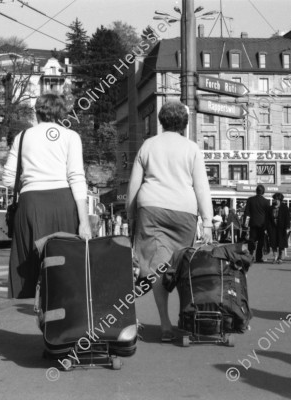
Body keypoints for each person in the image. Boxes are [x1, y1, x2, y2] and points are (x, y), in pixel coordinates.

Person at [126, 101, 213, 342]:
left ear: (161, 121)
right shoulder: (192, 148)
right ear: (184, 124)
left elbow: (134, 184)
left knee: (156, 268)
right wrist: (207, 221)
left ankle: (165, 324)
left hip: (151, 208)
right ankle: (184, 318)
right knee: (178, 267)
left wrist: (131, 215)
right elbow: (201, 186)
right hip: (184, 212)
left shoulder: (148, 145)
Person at [2, 93, 92, 299]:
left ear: (37, 111)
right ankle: (61, 319)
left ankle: (43, 316)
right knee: (64, 263)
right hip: (63, 202)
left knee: (34, 266)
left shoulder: (22, 137)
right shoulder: (71, 137)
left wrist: (29, 180)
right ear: (61, 113)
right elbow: (77, 178)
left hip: (30, 203)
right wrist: (84, 222)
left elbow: (8, 179)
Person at [243, 184, 270, 262]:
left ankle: (250, 256)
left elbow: (247, 213)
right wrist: (267, 225)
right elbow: (267, 214)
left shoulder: (250, 200)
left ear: (256, 191)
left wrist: (246, 224)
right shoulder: (266, 201)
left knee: (252, 240)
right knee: (261, 241)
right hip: (262, 224)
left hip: (253, 223)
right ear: (263, 192)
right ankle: (259, 257)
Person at [265, 192, 291, 264]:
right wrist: (267, 228)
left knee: (281, 243)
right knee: (273, 243)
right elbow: (267, 219)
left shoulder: (285, 207)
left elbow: (287, 218)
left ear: (280, 200)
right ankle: (275, 257)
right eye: (275, 199)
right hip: (272, 228)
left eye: (278, 199)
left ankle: (280, 257)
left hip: (282, 228)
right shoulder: (270, 208)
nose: (276, 201)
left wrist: (287, 227)